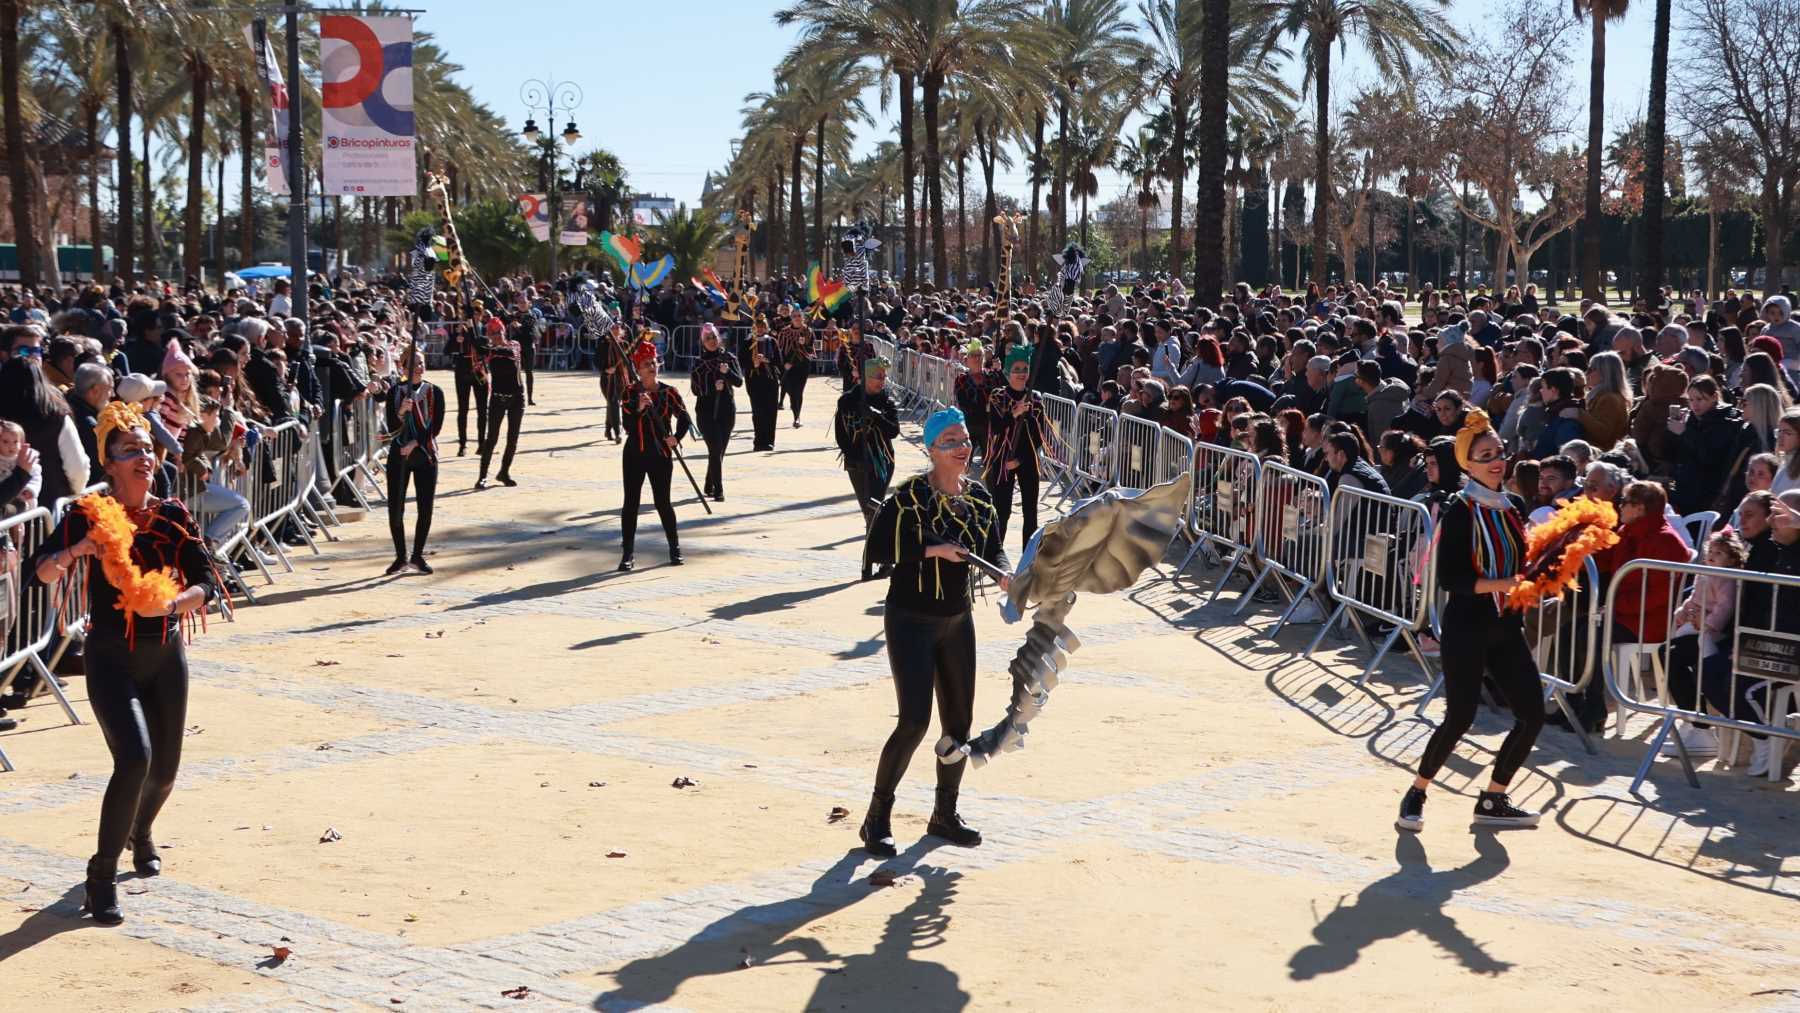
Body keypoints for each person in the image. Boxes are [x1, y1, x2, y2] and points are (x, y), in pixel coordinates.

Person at [31, 402, 218, 926]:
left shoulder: (174, 514)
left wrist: (178, 603)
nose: (143, 457)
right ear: (108, 463)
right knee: (133, 760)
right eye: (129, 450)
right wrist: (80, 550)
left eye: (146, 448)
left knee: (163, 773)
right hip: (111, 657)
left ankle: (142, 831)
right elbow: (42, 572)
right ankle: (102, 874)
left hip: (166, 655)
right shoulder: (86, 514)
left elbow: (207, 576)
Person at [859, 407, 1010, 858]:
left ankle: (945, 813)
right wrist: (934, 550)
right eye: (950, 442)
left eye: (964, 440)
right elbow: (879, 547)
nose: (962, 448)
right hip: (910, 618)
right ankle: (876, 818)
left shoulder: (979, 497)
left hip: (957, 620)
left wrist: (1005, 574)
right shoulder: (907, 498)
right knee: (913, 721)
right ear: (931, 449)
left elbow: (994, 548)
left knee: (959, 725)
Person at [1397, 409, 1545, 832]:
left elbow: (1523, 560)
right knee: (1460, 717)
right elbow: (1451, 579)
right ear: (1468, 464)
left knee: (1532, 714)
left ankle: (1494, 798)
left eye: (1499, 452)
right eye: (1485, 455)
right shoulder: (1459, 509)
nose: (1497, 460)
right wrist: (1504, 582)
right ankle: (1417, 791)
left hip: (1507, 627)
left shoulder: (1514, 504)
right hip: (1467, 626)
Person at [618, 335, 692, 572]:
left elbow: (685, 418)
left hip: (660, 454)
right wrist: (639, 408)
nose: (652, 366)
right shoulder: (630, 393)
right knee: (631, 503)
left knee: (663, 503)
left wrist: (676, 438)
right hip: (634, 454)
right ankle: (628, 554)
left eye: (653, 362)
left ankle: (675, 549)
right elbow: (628, 425)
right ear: (638, 369)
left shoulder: (670, 392)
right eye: (646, 364)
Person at [837, 356, 901, 577]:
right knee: (869, 511)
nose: (882, 381)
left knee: (875, 509)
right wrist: (855, 456)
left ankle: (874, 562)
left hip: (883, 462)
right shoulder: (847, 400)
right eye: (877, 377)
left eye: (884, 377)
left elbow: (893, 430)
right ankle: (879, 560)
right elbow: (841, 435)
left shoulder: (887, 401)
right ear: (865, 377)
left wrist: (875, 416)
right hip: (857, 464)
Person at [382, 346, 445, 575]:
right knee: (395, 508)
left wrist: (415, 443)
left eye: (421, 362)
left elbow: (435, 427)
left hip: (424, 455)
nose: (419, 367)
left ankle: (418, 555)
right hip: (399, 457)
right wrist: (401, 412)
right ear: (403, 367)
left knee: (424, 507)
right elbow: (391, 426)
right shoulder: (395, 392)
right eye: (414, 363)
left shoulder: (433, 391)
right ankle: (400, 556)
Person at [983, 343, 1048, 555]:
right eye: (1016, 369)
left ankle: (1028, 558)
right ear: (1007, 372)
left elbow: (1038, 438)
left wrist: (1019, 459)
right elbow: (994, 429)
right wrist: (1014, 413)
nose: (1021, 374)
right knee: (1002, 510)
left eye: (1025, 369)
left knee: (1030, 512)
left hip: (1027, 460)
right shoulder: (998, 396)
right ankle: (995, 555)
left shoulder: (1035, 401)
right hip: (1002, 460)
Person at [690, 323, 741, 502]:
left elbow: (739, 381)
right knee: (715, 447)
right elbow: (695, 389)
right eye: (707, 338)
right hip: (706, 411)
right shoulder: (698, 363)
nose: (711, 341)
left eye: (713, 337)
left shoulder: (729, 357)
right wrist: (712, 387)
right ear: (702, 342)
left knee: (719, 451)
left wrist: (726, 373)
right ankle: (719, 490)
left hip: (726, 409)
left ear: (719, 338)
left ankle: (709, 482)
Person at [475, 320, 525, 490]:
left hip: (517, 398)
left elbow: (510, 353)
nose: (498, 336)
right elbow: (483, 356)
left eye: (499, 332)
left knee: (513, 438)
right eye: (493, 333)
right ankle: (482, 476)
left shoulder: (514, 345)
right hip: (497, 397)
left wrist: (489, 349)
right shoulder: (489, 352)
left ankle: (504, 471)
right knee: (492, 439)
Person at [443, 308, 489, 456]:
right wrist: (456, 338)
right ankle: (462, 444)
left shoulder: (483, 332)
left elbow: (480, 347)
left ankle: (482, 443)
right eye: (470, 315)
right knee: (463, 409)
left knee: (482, 409)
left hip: (479, 370)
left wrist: (468, 332)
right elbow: (447, 351)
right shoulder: (459, 332)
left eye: (476, 314)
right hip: (463, 369)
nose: (473, 317)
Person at [743, 316, 781, 451]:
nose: (760, 329)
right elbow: (741, 361)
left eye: (762, 326)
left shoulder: (772, 342)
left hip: (770, 381)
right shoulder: (748, 342)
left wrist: (766, 360)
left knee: (770, 411)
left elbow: (779, 361)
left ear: (766, 327)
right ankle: (759, 441)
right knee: (758, 412)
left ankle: (769, 441)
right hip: (754, 381)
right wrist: (753, 363)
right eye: (757, 326)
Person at [778, 307, 813, 428]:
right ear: (791, 318)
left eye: (799, 316)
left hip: (802, 365)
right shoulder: (784, 332)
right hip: (788, 366)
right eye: (794, 316)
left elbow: (812, 350)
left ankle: (797, 416)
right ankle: (795, 411)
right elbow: (779, 351)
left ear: (803, 318)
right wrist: (784, 363)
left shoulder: (808, 331)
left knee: (798, 391)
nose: (797, 318)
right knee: (790, 391)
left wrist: (805, 345)